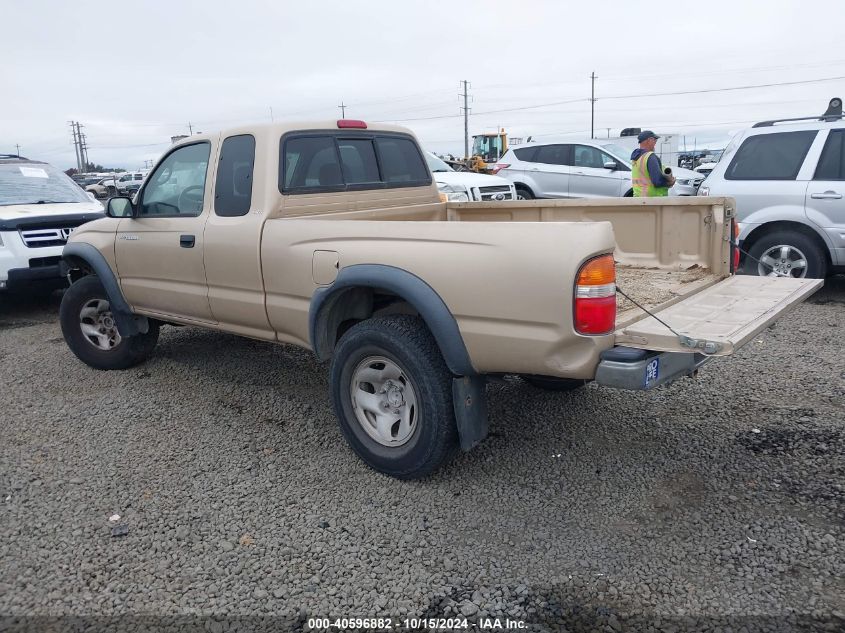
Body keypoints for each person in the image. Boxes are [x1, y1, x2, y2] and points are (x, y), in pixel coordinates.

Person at [630, 130, 675, 197]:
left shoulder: (636, 158)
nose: (655, 143)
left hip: (639, 198)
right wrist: (669, 182)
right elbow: (657, 182)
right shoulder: (650, 157)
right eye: (655, 140)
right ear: (649, 140)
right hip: (653, 200)